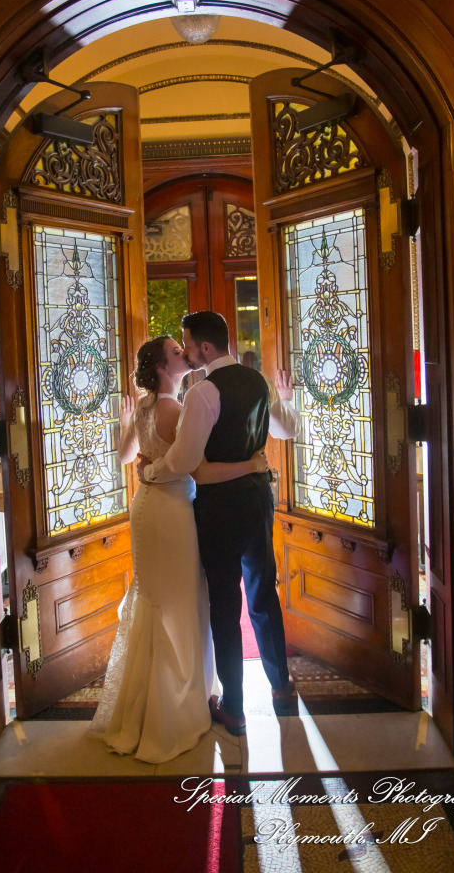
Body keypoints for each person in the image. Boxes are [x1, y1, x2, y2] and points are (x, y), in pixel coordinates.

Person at [88, 335, 268, 764]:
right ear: (164, 366)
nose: (184, 355)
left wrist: (140, 455)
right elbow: (197, 467)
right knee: (181, 601)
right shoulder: (176, 407)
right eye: (176, 352)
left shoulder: (147, 406)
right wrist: (251, 463)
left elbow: (127, 455)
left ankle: (145, 705)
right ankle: (176, 706)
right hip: (171, 511)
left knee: (153, 597)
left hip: (145, 509)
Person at [138, 311, 301, 736]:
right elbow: (287, 428)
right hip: (258, 499)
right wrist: (283, 399)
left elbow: (186, 462)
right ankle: (282, 689)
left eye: (188, 344)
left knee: (226, 607)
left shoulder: (203, 393)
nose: (187, 352)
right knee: (264, 594)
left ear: (205, 349)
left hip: (219, 510)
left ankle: (235, 709)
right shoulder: (258, 381)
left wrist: (151, 472)